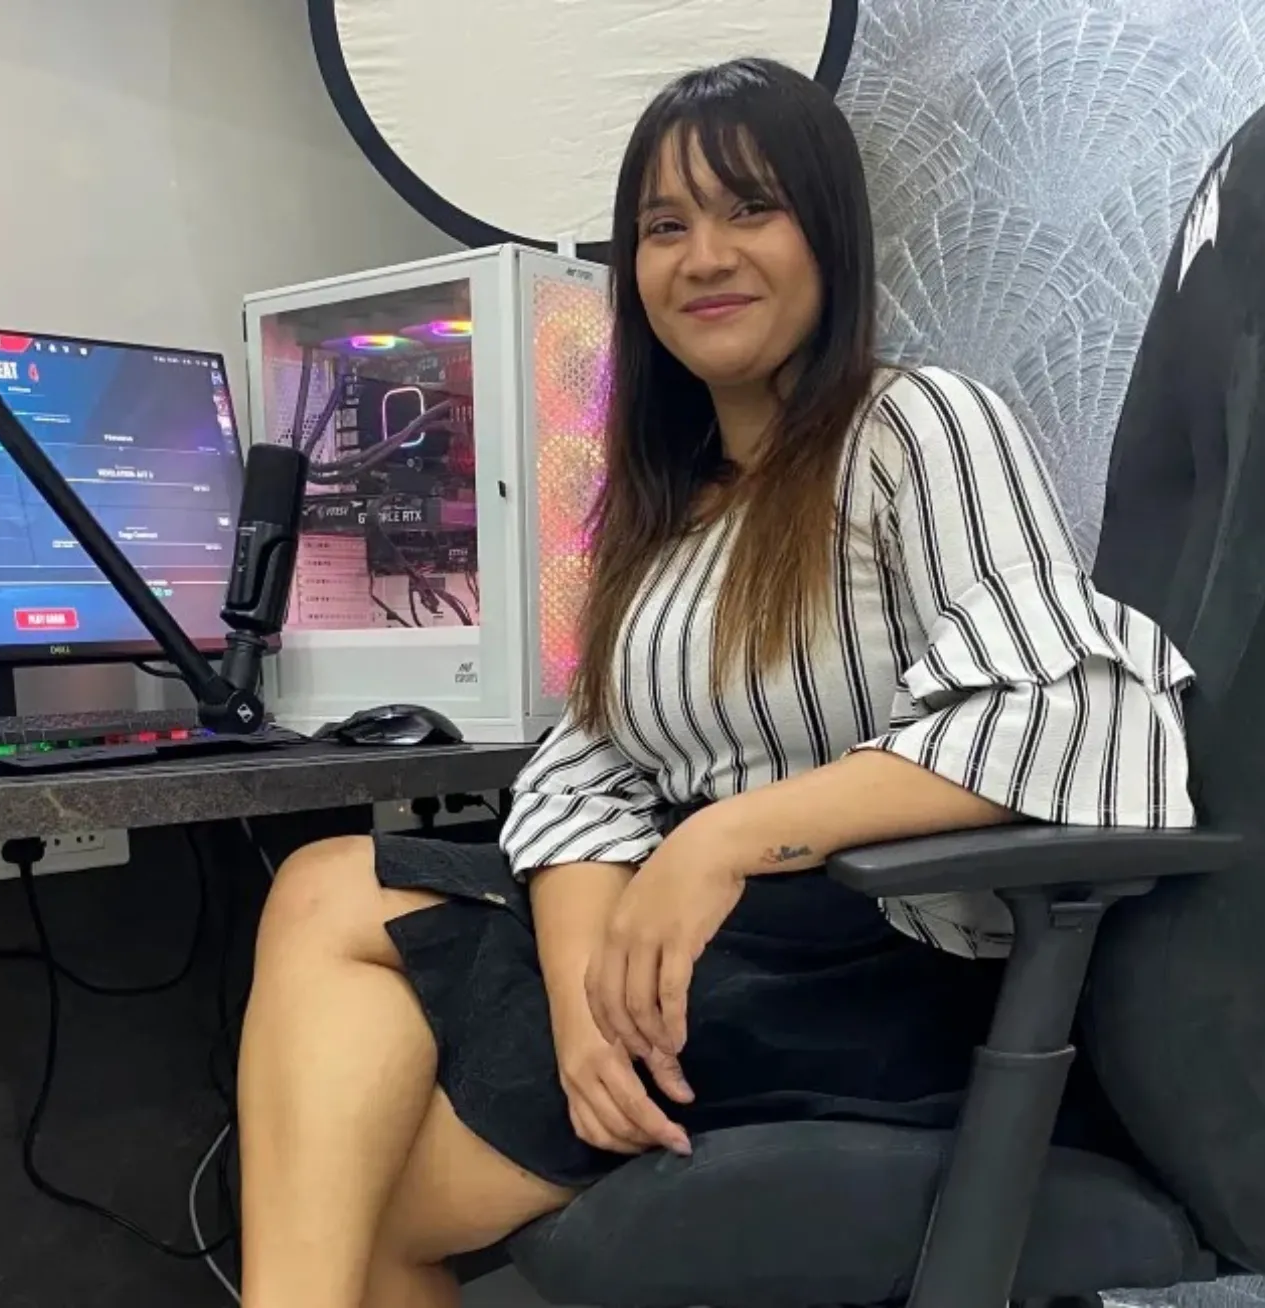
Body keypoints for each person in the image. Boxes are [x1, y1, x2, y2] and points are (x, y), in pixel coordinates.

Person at [235, 56, 1195, 1308]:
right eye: (664, 227)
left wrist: (730, 838)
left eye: (752, 209)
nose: (704, 256)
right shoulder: (666, 507)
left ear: (828, 235)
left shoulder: (914, 425)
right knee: (320, 887)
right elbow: (593, 766)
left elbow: (1068, 709)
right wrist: (585, 1009)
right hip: (702, 947)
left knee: (380, 1207)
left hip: (866, 958)